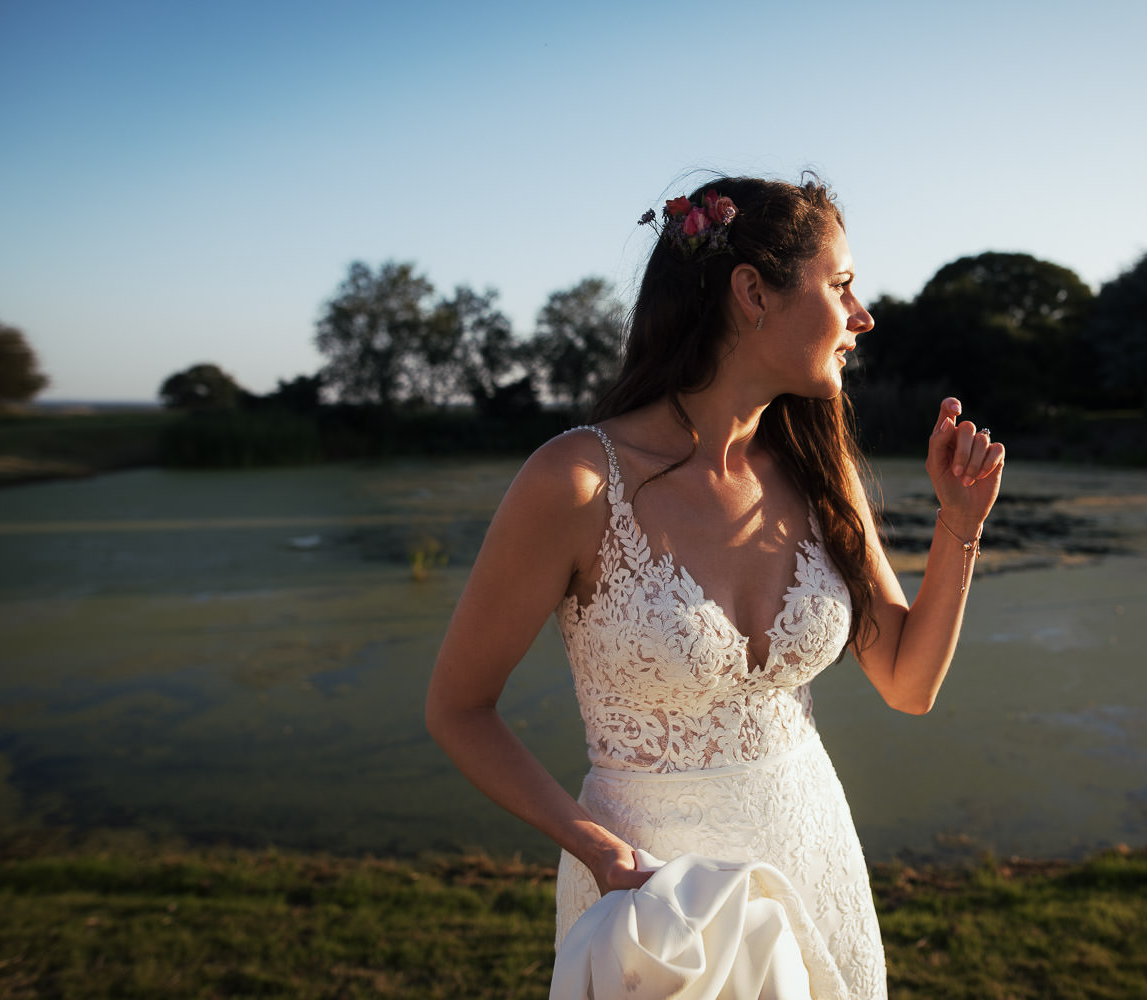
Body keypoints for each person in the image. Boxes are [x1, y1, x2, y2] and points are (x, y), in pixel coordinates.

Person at [425, 175, 1004, 997]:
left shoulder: (819, 467)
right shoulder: (579, 482)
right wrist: (597, 849)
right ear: (752, 292)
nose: (862, 315)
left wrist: (960, 525)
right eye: (840, 285)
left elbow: (909, 682)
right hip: (655, 903)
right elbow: (457, 707)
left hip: (814, 853)